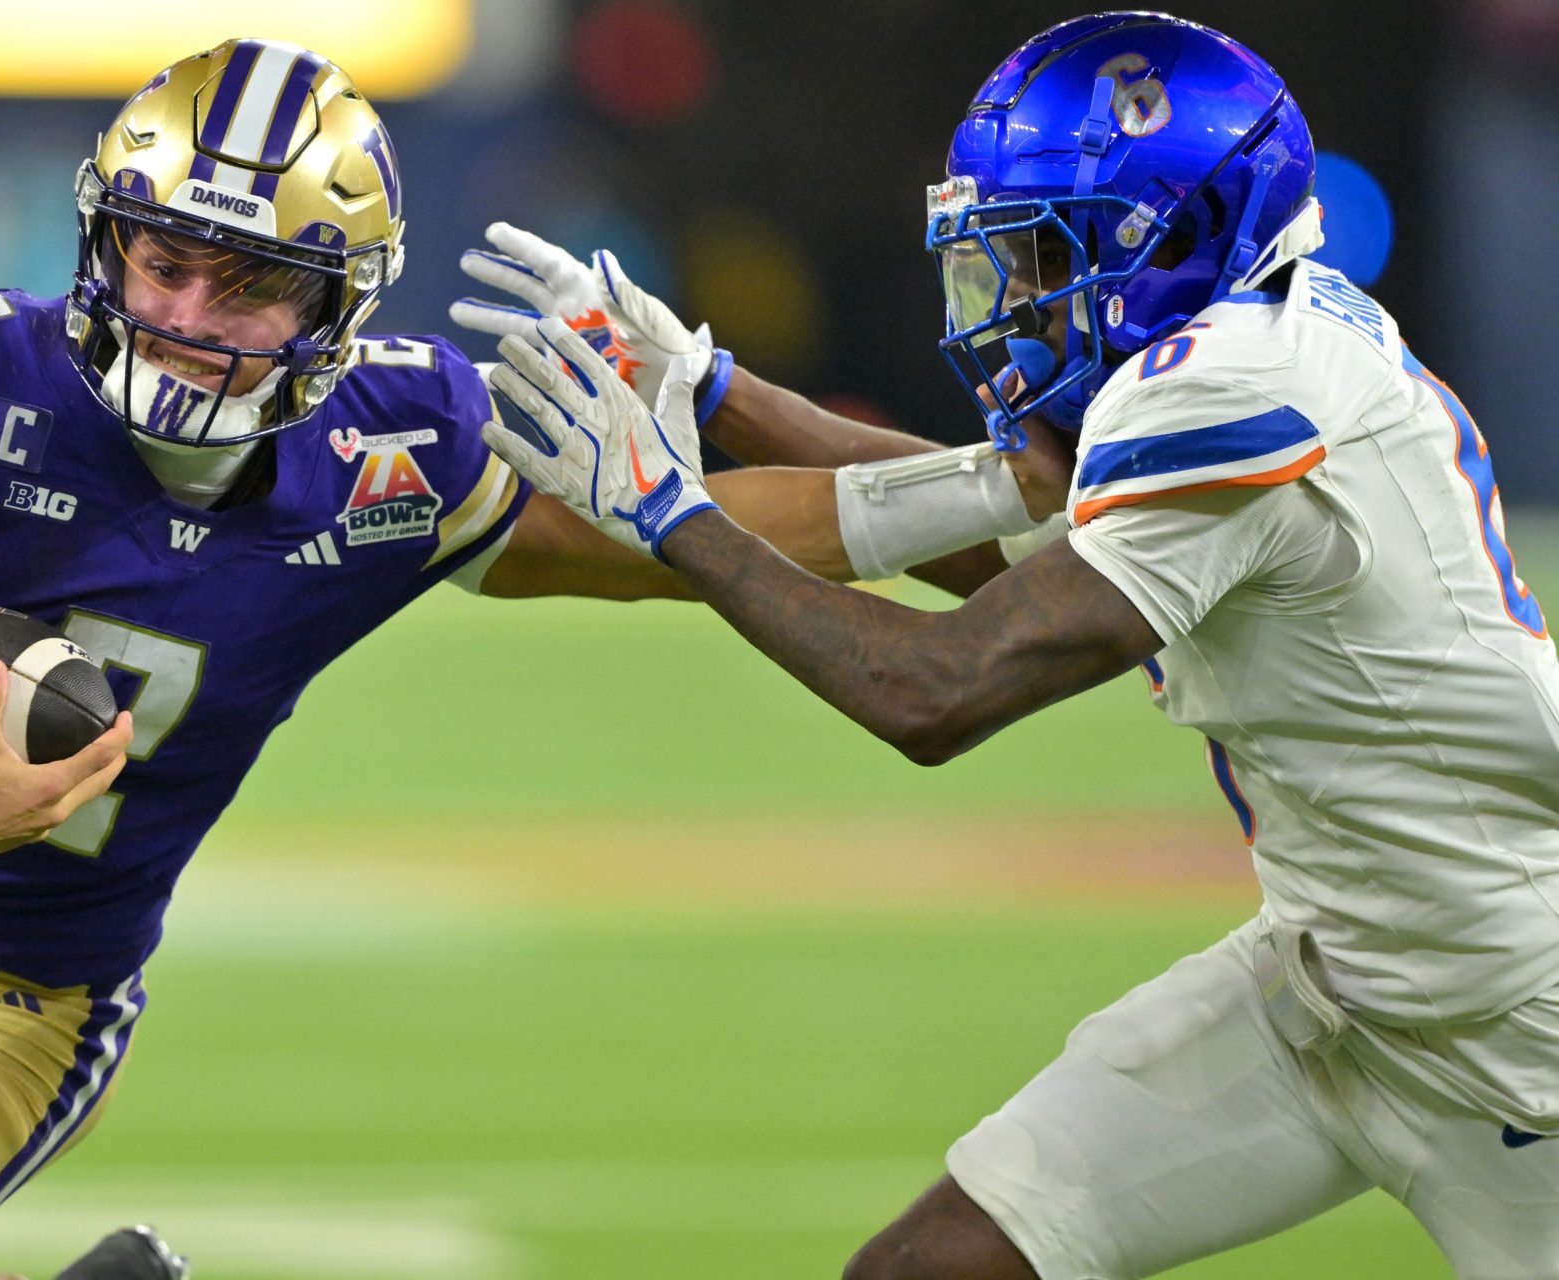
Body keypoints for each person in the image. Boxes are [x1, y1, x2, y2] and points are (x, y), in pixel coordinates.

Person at [0, 37, 934, 1280]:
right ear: (109, 240)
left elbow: (702, 540)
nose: (184, 317)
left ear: (339, 303)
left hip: (5, 1008)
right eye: (162, 261)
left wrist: (994, 494)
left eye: (249, 283)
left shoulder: (394, 455)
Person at [469, 11, 1559, 1278]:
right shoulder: (1255, 330)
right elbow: (1005, 535)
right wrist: (717, 390)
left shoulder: (1237, 390)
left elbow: (935, 690)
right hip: (1329, 982)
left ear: (1175, 235)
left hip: (1511, 1022)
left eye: (1045, 254)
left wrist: (670, 511)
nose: (1015, 296)